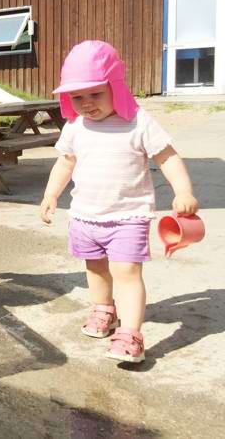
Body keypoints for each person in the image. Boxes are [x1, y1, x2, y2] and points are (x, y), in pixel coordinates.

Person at [40, 40, 199, 363]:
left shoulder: (138, 122)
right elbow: (65, 162)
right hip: (85, 215)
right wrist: (51, 194)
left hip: (129, 216)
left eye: (95, 94)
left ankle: (131, 332)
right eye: (77, 97)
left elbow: (167, 157)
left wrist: (183, 191)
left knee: (126, 272)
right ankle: (104, 311)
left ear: (116, 86)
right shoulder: (76, 126)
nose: (86, 104)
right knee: (96, 269)